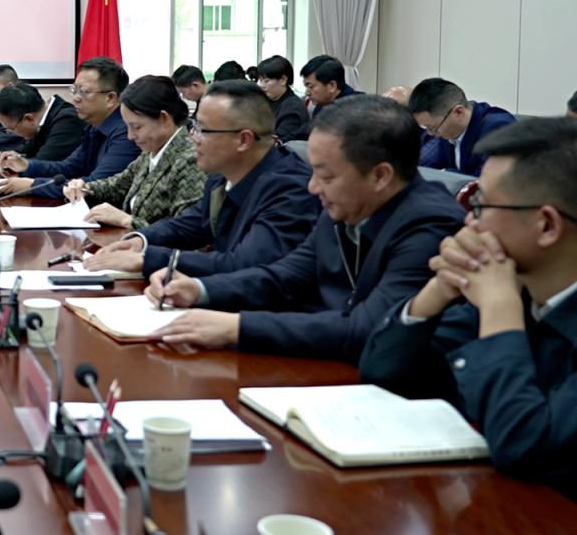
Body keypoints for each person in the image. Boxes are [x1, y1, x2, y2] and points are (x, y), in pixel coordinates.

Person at [146, 96, 465, 363]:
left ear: (380, 176)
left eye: (326, 176)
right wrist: (200, 289)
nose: (313, 187)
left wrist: (238, 327)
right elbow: (285, 275)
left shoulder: (430, 225)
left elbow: (368, 327)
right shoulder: (347, 203)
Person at [360, 119, 577, 499]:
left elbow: (525, 446)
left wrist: (499, 311)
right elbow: (383, 372)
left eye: (481, 204)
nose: (469, 220)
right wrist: (437, 292)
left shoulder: (502, 296)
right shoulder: (515, 289)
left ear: (546, 225)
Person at [84, 80, 320, 277]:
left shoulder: (289, 189)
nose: (194, 138)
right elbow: (190, 225)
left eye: (203, 130)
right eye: (195, 127)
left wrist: (151, 259)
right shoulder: (222, 175)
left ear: (243, 140)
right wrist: (140, 240)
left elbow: (245, 264)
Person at [60, 76, 205, 230]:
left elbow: (186, 232)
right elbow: (117, 185)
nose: (130, 136)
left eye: (136, 127)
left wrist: (127, 220)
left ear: (164, 119)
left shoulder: (191, 160)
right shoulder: (151, 151)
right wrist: (84, 187)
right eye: (128, 126)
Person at [0, 58, 141, 198]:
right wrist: (27, 166)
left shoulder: (126, 133)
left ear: (110, 98)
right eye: (74, 90)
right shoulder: (95, 127)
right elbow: (69, 167)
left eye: (84, 91)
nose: (75, 98)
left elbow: (95, 185)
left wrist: (32, 185)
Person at [409, 77, 516, 177]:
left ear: (458, 112)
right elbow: (429, 165)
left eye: (432, 128)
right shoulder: (446, 128)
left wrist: (446, 174)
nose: (431, 134)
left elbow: (486, 179)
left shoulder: (498, 127)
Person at [0, 82, 84, 167]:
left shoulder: (67, 121)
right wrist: (2, 157)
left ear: (29, 119)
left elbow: (43, 164)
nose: (13, 134)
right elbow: (26, 151)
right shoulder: (42, 121)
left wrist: (11, 164)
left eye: (11, 129)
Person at [255, 55, 307, 142]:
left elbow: (277, 141)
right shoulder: (266, 100)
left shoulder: (293, 109)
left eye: (266, 81)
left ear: (283, 80)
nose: (262, 85)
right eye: (261, 80)